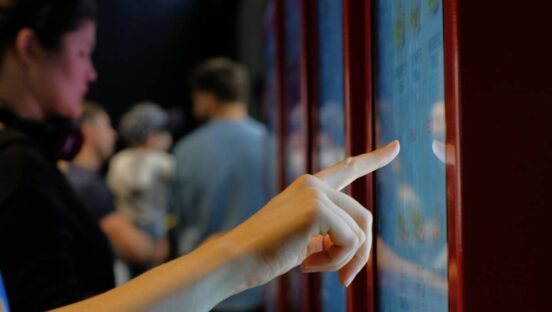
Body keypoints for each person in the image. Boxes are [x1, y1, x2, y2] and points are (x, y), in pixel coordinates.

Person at [0, 0, 400, 311]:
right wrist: (236, 257)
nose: (91, 74)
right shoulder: (16, 163)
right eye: (83, 52)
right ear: (30, 48)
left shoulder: (26, 159)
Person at [172, 58, 268, 311]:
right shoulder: (272, 143)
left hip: (205, 290)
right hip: (264, 287)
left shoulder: (185, 150)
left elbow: (181, 218)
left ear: (207, 98)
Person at [64, 102, 167, 273]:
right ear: (89, 130)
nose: (114, 134)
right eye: (107, 126)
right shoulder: (87, 186)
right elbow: (135, 249)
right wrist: (157, 247)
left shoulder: (73, 177)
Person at [107, 102, 173, 277]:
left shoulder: (118, 161)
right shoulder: (164, 161)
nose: (168, 136)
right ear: (152, 136)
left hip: (126, 233)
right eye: (164, 131)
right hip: (157, 235)